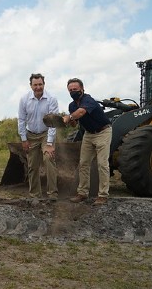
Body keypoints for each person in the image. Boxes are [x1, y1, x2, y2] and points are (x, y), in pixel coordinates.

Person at [63, 78, 112, 206]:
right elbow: (75, 123)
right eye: (71, 90)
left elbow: (81, 112)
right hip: (89, 134)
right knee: (83, 163)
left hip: (103, 132)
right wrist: (69, 121)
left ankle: (103, 195)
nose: (73, 92)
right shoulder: (72, 105)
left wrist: (69, 117)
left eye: (75, 89)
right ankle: (82, 193)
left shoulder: (88, 100)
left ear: (82, 89)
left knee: (102, 164)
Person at [17, 73, 59, 200]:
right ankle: (35, 195)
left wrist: (50, 144)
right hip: (31, 135)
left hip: (46, 134)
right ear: (31, 86)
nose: (38, 87)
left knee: (48, 159)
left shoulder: (51, 98)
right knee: (32, 165)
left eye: (40, 84)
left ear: (44, 84)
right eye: (35, 85)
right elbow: (21, 120)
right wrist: (24, 139)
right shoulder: (24, 99)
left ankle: (52, 194)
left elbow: (53, 122)